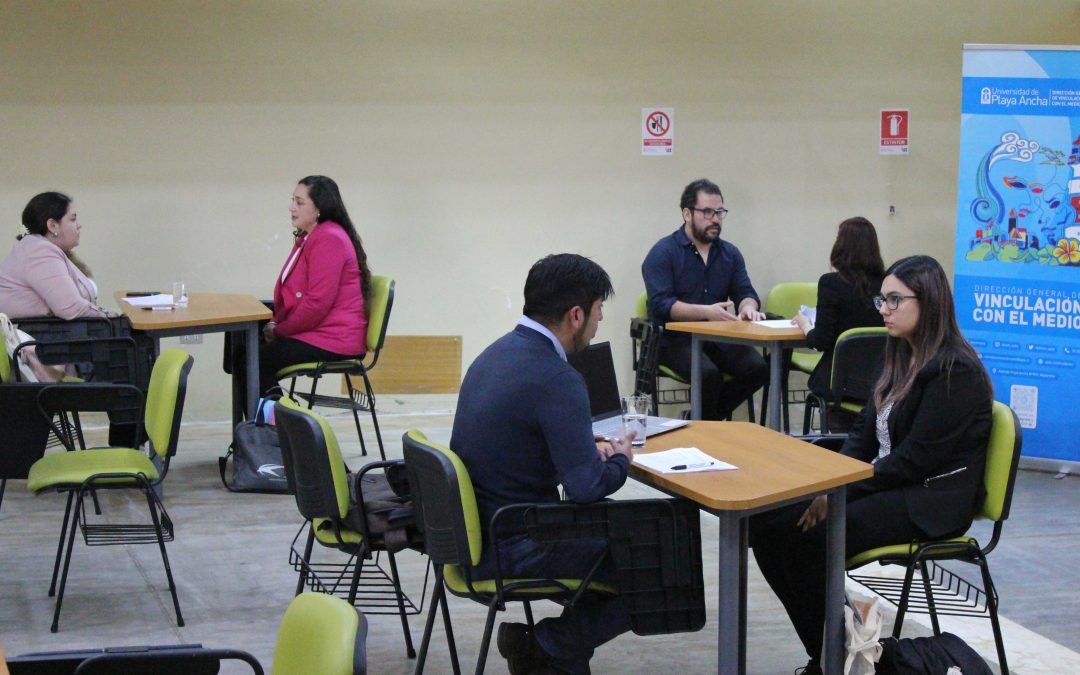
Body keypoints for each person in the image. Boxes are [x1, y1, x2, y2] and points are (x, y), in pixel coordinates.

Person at [751, 255, 993, 675]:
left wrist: (837, 493)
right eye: (883, 299)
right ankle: (836, 655)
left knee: (813, 536)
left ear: (930, 302)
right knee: (767, 524)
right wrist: (830, 483)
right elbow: (863, 435)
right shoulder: (900, 354)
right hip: (893, 484)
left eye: (895, 300)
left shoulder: (956, 370)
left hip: (930, 499)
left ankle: (840, 658)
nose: (883, 309)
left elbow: (913, 462)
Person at [451, 253, 635, 675]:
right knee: (655, 560)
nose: (598, 322)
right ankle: (547, 646)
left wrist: (573, 442)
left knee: (641, 543)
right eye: (597, 312)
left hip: (476, 536)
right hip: (516, 544)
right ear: (575, 315)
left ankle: (553, 656)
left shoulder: (496, 354)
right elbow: (586, 487)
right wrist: (622, 460)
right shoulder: (558, 376)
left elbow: (517, 439)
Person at [641, 178, 768, 420]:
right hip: (674, 341)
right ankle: (704, 431)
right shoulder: (663, 252)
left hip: (718, 337)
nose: (715, 219)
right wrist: (706, 312)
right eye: (707, 212)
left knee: (759, 369)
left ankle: (701, 420)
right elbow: (661, 305)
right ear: (687, 214)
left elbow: (745, 292)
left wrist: (748, 308)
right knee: (708, 375)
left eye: (719, 212)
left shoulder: (729, 253)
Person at [258, 175, 371, 396]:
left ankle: (275, 426)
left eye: (299, 203)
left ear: (319, 208)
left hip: (335, 338)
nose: (291, 208)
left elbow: (316, 304)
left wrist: (280, 331)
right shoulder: (312, 237)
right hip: (322, 332)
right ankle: (269, 424)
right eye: (293, 200)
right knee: (245, 354)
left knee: (254, 359)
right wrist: (276, 323)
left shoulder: (329, 238)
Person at [792, 216, 885, 398]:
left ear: (842, 246)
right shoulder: (889, 283)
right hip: (881, 384)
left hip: (840, 382)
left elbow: (821, 341)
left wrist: (805, 324)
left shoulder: (831, 283)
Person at [0, 192, 109, 320]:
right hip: (39, 336)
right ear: (52, 226)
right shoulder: (39, 252)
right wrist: (108, 315)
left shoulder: (38, 248)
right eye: (73, 219)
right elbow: (71, 308)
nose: (79, 225)